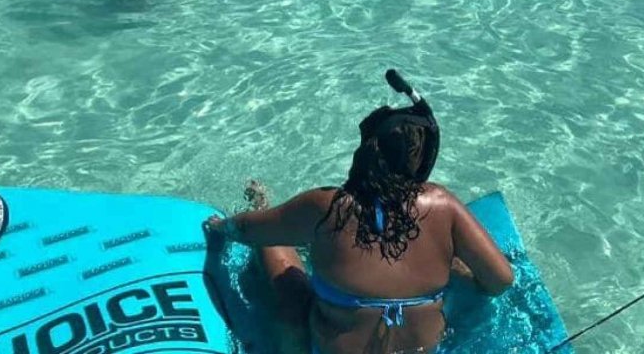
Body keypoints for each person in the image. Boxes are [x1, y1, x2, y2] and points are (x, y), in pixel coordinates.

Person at [203, 72, 514, 354]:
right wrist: (453, 273)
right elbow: (500, 280)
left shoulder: (327, 206)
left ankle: (262, 207)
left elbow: (248, 231)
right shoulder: (442, 205)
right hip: (424, 349)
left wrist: (222, 227)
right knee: (455, 264)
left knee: (286, 275)